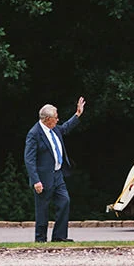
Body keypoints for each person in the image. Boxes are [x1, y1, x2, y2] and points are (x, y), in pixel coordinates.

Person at [24, 96, 85, 243]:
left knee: (65, 202)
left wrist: (77, 114)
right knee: (42, 210)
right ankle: (40, 239)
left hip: (58, 176)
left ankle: (59, 236)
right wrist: (36, 181)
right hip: (43, 179)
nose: (58, 120)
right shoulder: (34, 134)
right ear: (47, 119)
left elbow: (65, 128)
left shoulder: (55, 129)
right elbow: (29, 159)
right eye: (55, 118)